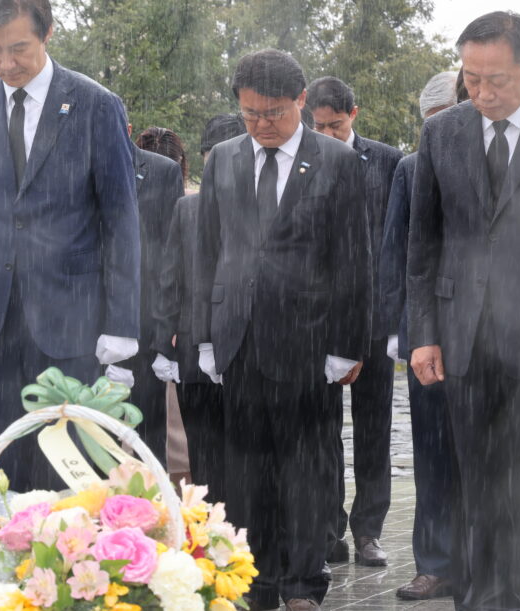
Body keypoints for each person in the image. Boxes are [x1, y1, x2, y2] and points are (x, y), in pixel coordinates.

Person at [0, 0, 141, 490]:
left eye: (18, 48)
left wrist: (123, 325)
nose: (6, 64)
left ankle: (66, 569)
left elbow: (121, 220)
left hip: (70, 319)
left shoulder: (94, 105)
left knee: (68, 465)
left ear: (47, 35)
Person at [193, 49, 370, 611]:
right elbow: (206, 253)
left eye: (272, 112)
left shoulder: (338, 163)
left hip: (308, 340)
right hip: (237, 338)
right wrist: (202, 336)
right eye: (249, 114)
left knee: (304, 470)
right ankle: (256, 579)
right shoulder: (222, 159)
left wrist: (346, 347)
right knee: (243, 471)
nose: (261, 124)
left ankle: (302, 583)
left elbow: (354, 261)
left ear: (299, 102)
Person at [408, 10, 520, 611]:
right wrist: (423, 334)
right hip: (464, 339)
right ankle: (482, 598)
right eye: (472, 78)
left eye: (498, 80)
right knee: (475, 479)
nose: (483, 93)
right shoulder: (443, 134)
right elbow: (422, 244)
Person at [306, 76, 403, 568]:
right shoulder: (302, 157)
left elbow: (395, 242)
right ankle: (326, 529)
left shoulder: (387, 162)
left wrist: (392, 318)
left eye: (335, 125)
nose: (325, 133)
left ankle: (369, 530)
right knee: (321, 430)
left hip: (374, 318)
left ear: (354, 115)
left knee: (374, 429)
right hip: (318, 320)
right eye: (318, 125)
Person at [379, 70, 457, 601]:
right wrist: (394, 327)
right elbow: (398, 253)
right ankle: (435, 562)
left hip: (499, 333)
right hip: (429, 333)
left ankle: (492, 558)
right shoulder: (411, 169)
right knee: (431, 453)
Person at [152, 114, 247, 501]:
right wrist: (162, 344)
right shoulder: (187, 211)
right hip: (193, 352)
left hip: (247, 350)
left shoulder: (266, 207)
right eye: (214, 157)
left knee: (249, 455)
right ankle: (214, 540)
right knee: (204, 458)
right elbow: (170, 281)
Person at [108, 124, 183, 460]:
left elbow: (173, 256)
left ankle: (150, 510)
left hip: (144, 326)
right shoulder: (66, 170)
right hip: (81, 333)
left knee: (149, 442)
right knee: (89, 446)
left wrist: (167, 331)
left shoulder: (161, 172)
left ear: (126, 127)